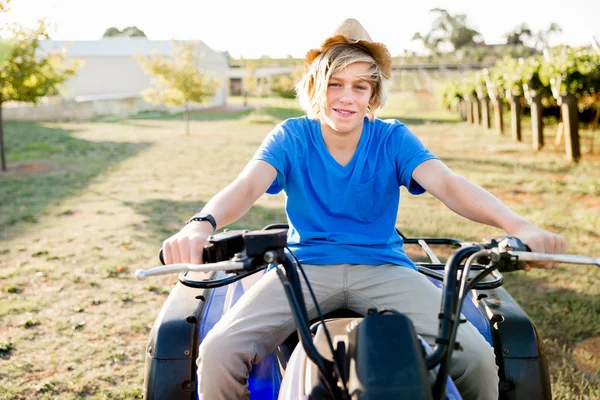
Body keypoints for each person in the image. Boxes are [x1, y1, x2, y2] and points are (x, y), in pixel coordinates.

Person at [161, 18, 566, 400]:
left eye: (359, 86)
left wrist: (521, 225)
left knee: (477, 359)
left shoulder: (392, 138)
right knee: (217, 352)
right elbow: (246, 185)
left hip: (382, 267)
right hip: (306, 269)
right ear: (316, 86)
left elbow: (450, 185)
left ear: (373, 94)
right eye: (335, 83)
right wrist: (201, 223)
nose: (346, 97)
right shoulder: (292, 136)